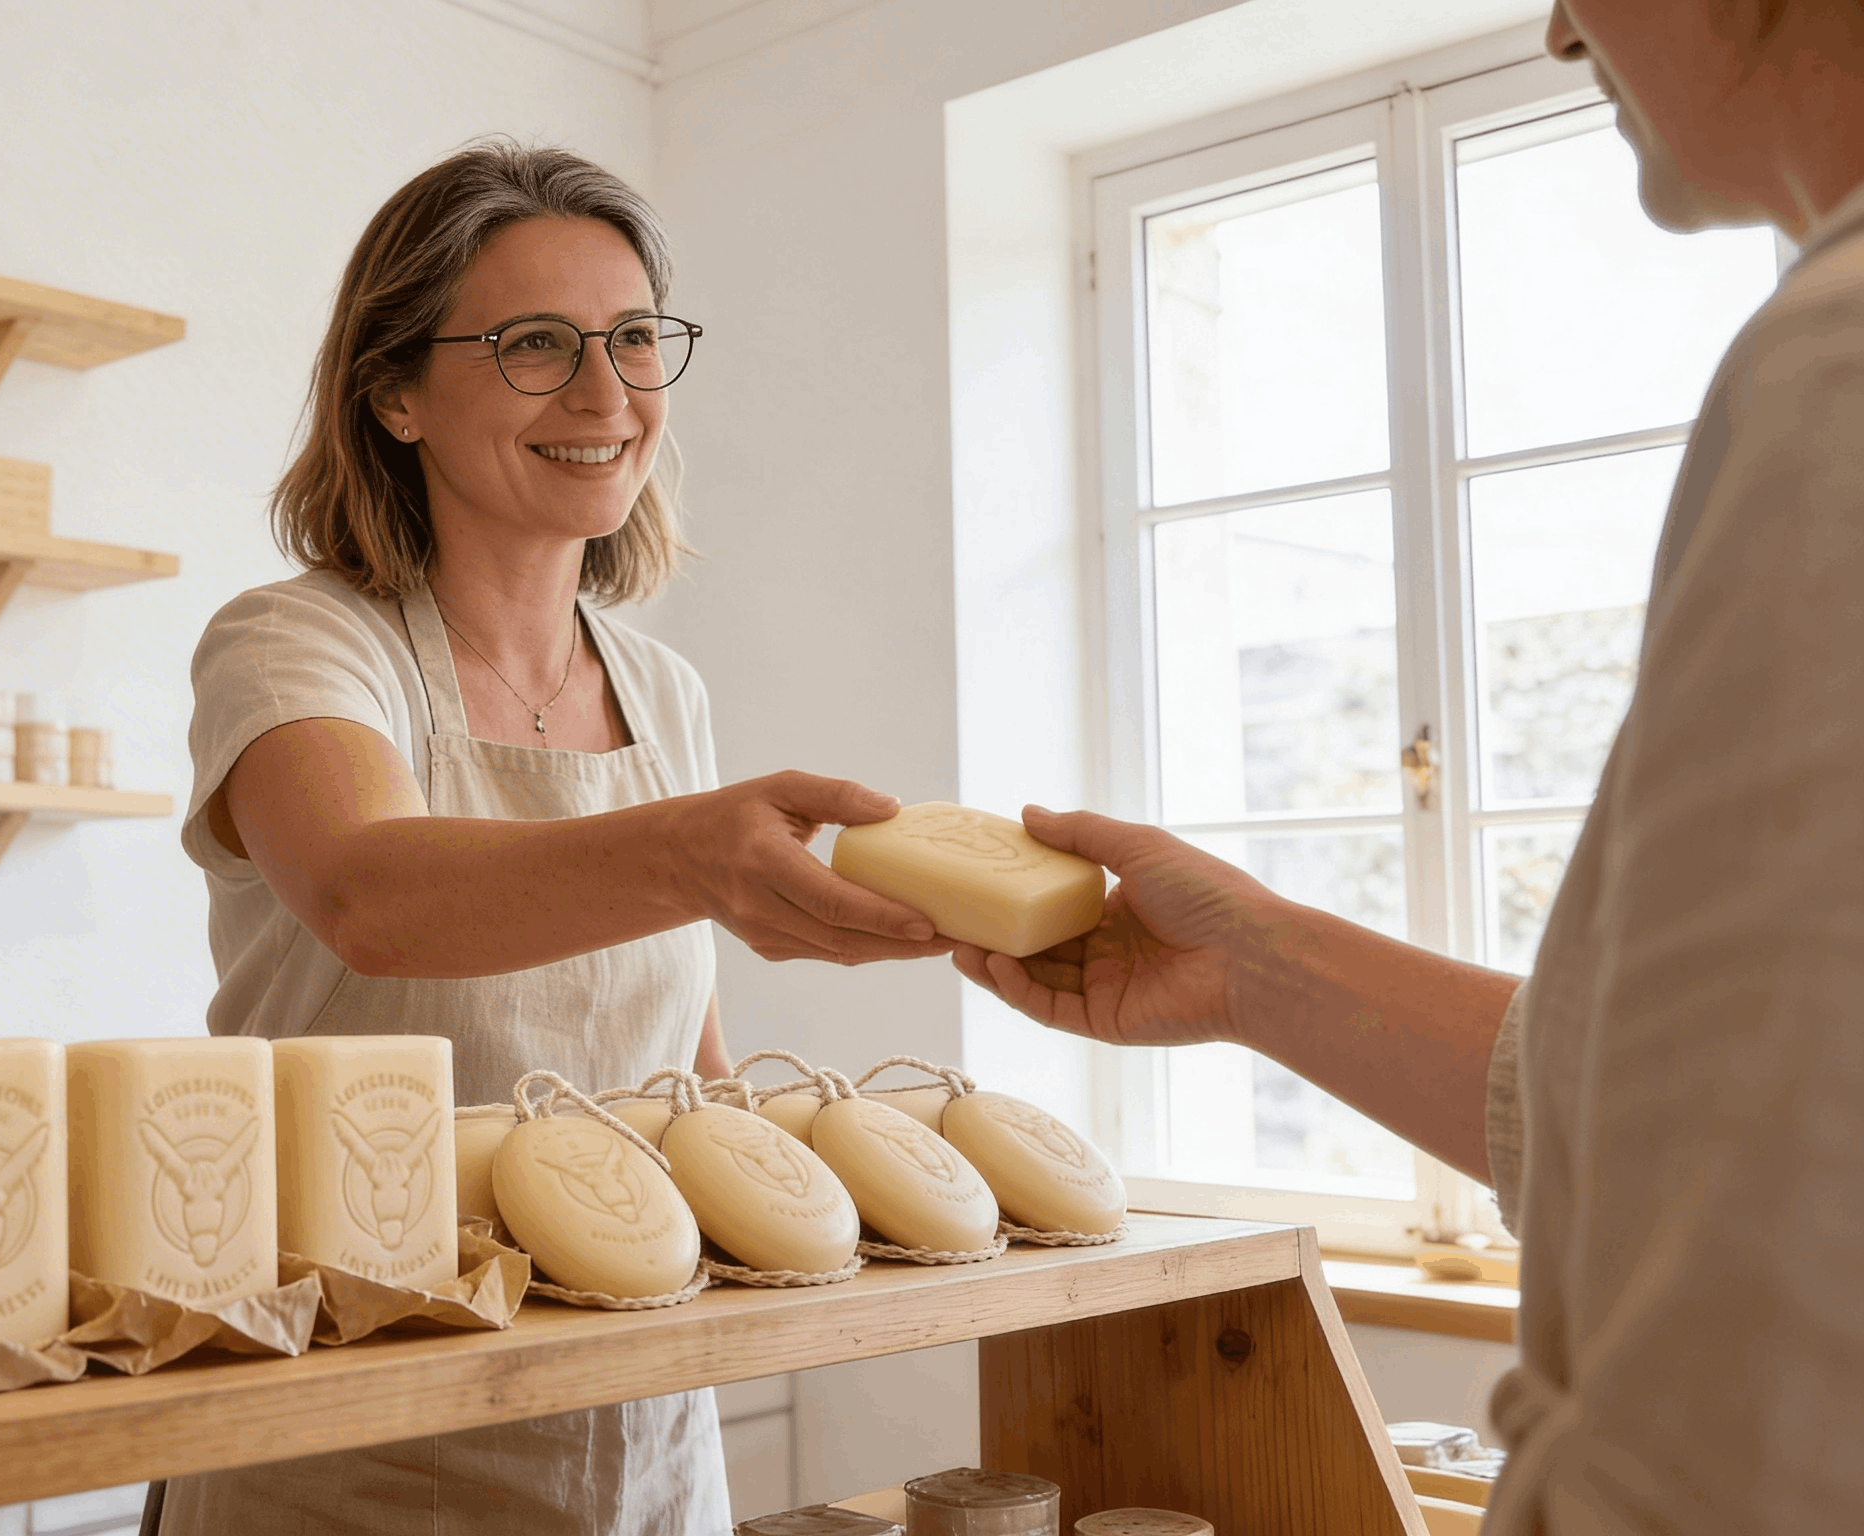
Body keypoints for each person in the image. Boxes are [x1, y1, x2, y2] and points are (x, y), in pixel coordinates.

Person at [955, 3, 1864, 1531]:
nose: (1563, 30)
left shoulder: (1832, 372)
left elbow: (1744, 1382)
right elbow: (1667, 1124)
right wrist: (1256, 967)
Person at [156, 141, 950, 1535]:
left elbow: (685, 1068)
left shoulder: (663, 691)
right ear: (394, 393)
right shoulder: (294, 645)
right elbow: (370, 897)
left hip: (644, 1430)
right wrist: (695, 854)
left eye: (635, 338)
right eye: (535, 344)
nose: (605, 395)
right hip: (353, 1427)